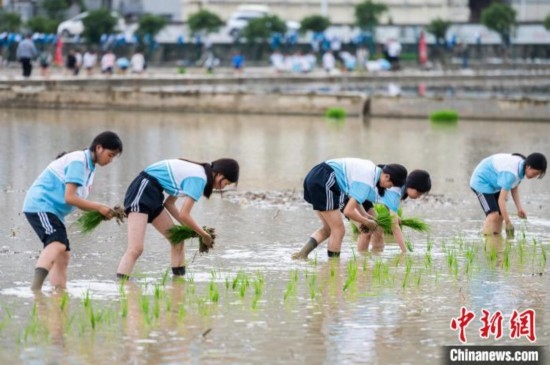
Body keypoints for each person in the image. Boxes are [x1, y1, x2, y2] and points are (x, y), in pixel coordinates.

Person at [23, 131, 124, 291]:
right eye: (110, 155)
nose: (110, 160)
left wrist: (100, 213)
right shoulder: (79, 161)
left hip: (54, 212)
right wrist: (99, 207)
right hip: (41, 205)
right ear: (99, 148)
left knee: (63, 256)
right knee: (56, 243)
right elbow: (69, 198)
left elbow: (78, 200)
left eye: (113, 157)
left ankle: (59, 293)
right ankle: (35, 290)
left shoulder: (89, 167)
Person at [116, 158, 240, 280]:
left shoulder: (198, 174)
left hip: (154, 194)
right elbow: (184, 215)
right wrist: (204, 235)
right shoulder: (199, 179)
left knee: (177, 240)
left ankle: (178, 284)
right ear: (219, 175)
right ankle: (122, 285)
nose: (224, 187)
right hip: (142, 190)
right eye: (226, 183)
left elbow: (169, 204)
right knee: (136, 248)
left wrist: (192, 229)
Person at [292, 158, 408, 259]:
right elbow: (348, 211)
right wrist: (366, 221)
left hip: (317, 176)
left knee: (328, 229)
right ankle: (333, 268)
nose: (389, 187)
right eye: (391, 185)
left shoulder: (372, 173)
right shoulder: (368, 180)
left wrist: (364, 215)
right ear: (386, 176)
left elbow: (354, 200)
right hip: (325, 179)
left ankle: (301, 255)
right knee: (339, 229)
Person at [353, 169, 432, 253]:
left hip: (364, 199)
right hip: (352, 196)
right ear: (411, 185)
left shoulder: (401, 189)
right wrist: (404, 251)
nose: (419, 196)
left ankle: (376, 258)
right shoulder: (396, 190)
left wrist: (395, 215)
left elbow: (387, 201)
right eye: (418, 192)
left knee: (378, 229)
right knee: (367, 231)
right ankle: (361, 261)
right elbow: (395, 227)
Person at [470, 153, 547, 237]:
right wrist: (508, 222)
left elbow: (514, 188)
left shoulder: (521, 167)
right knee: (493, 215)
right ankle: (487, 243)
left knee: (501, 215)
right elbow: (501, 200)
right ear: (529, 167)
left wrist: (519, 209)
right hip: (481, 181)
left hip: (494, 183)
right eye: (535, 173)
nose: (535, 176)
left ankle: (496, 242)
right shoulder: (511, 173)